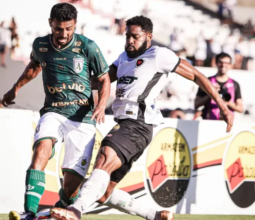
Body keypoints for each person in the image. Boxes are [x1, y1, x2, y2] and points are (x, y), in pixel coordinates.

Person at [49, 15, 233, 220]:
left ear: (148, 37)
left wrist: (222, 106)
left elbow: (196, 75)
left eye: (135, 37)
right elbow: (101, 81)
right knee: (103, 192)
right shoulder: (122, 57)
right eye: (127, 36)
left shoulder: (159, 55)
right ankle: (156, 215)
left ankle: (75, 210)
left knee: (103, 160)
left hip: (137, 124)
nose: (129, 40)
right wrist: (69, 76)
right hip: (129, 126)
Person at [3, 3, 111, 220]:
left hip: (82, 118)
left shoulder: (88, 47)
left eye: (68, 29)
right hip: (53, 111)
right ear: (50, 23)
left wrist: (100, 105)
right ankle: (30, 213)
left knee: (71, 189)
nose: (63, 34)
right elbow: (34, 66)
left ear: (75, 25)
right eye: (59, 28)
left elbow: (104, 78)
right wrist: (15, 88)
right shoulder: (40, 45)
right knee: (40, 152)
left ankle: (59, 210)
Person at [193, 52, 243, 120]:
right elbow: (196, 104)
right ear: (216, 63)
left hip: (227, 123)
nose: (223, 65)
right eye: (221, 62)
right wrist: (212, 94)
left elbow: (240, 108)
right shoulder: (207, 81)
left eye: (226, 63)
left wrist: (227, 103)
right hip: (209, 122)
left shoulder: (235, 84)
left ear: (230, 65)